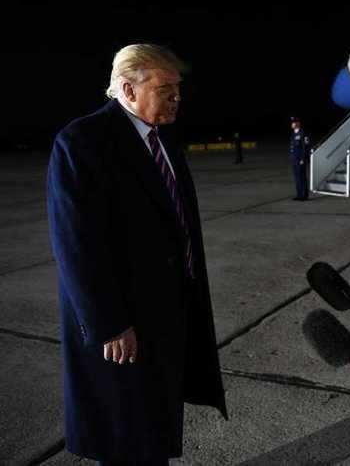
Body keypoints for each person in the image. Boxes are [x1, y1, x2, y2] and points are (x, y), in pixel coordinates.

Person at [47, 44, 228, 465]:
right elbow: (76, 245)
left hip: (167, 312)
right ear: (128, 89)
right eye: (166, 89)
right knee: (124, 433)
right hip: (123, 323)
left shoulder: (162, 139)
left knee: (154, 427)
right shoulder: (83, 142)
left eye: (178, 89)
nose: (176, 98)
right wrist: (109, 323)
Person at [290, 116, 310, 201]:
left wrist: (303, 159)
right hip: (294, 159)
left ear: (298, 123)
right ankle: (299, 194)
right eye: (292, 122)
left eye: (294, 122)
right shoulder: (293, 134)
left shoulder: (303, 134)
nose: (292, 124)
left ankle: (304, 195)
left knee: (302, 177)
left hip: (300, 159)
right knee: (297, 177)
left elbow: (305, 147)